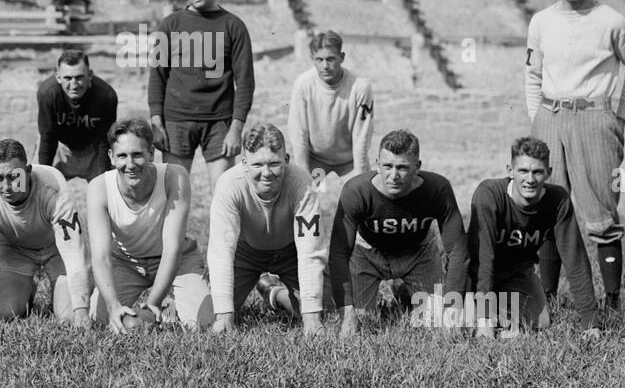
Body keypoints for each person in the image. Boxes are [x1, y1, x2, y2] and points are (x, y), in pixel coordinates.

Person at [525, 0, 625, 311]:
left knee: (601, 213)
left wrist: (619, 115)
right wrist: (537, 119)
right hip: (550, 118)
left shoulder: (611, 20)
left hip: (595, 119)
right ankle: (545, 299)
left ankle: (611, 302)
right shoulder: (541, 21)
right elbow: (532, 74)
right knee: (546, 207)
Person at [329, 129, 469, 337]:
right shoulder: (357, 191)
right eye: (387, 166)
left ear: (417, 167)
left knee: (432, 322)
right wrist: (346, 312)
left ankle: (405, 292)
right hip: (368, 253)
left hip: (418, 253)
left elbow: (458, 251)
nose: (393, 176)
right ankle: (397, 292)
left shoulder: (437, 189)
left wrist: (452, 311)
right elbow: (338, 252)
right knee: (365, 321)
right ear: (377, 164)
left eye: (403, 167)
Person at [467, 137, 603, 340]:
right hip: (476, 274)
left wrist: (590, 324)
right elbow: (482, 260)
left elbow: (575, 260)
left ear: (548, 172)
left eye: (537, 172)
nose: (530, 179)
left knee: (540, 322)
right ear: (510, 170)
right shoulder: (490, 194)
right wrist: (484, 320)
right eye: (523, 171)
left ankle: (497, 314)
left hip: (517, 273)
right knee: (455, 320)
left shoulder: (558, 200)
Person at [86, 117, 211, 333]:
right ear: (111, 157)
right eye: (122, 156)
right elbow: (100, 257)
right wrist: (114, 306)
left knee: (205, 324)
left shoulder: (174, 177)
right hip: (126, 262)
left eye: (137, 155)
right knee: (100, 321)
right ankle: (164, 305)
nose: (130, 164)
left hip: (177, 260)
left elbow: (172, 249)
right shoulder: (98, 188)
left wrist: (153, 302)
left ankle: (170, 303)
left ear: (151, 153)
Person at [206, 124, 331, 337]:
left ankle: (273, 293)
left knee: (325, 310)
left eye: (274, 164)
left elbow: (310, 250)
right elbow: (221, 250)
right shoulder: (229, 185)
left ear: (286, 160)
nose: (266, 173)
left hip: (289, 253)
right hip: (244, 254)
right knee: (206, 317)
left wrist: (311, 318)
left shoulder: (303, 184)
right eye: (257, 164)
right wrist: (225, 315)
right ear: (244, 163)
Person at [147, 0, 255, 191]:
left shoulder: (233, 25)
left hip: (219, 121)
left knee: (225, 194)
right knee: (173, 195)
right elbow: (157, 76)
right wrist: (156, 122)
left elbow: (245, 82)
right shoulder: (170, 25)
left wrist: (236, 129)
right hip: (176, 119)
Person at [0, 139, 91, 325]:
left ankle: (60, 291)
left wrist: (81, 311)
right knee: (4, 314)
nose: (6, 186)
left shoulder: (53, 187)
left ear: (28, 170)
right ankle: (25, 288)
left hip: (56, 248)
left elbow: (74, 253)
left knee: (69, 316)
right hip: (13, 248)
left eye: (14, 176)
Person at [287, 30, 374, 185]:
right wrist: (304, 176)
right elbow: (298, 133)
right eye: (319, 60)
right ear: (312, 59)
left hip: (349, 161)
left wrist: (360, 178)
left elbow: (361, 136)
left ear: (342, 58)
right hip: (316, 160)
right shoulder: (303, 85)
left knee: (360, 201)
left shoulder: (359, 86)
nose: (325, 66)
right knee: (307, 200)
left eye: (330, 59)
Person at [36, 49, 119, 181]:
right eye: (67, 78)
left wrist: (104, 179)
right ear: (58, 77)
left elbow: (105, 141)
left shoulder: (106, 96)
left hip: (93, 149)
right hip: (61, 148)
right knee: (37, 182)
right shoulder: (48, 94)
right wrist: (42, 177)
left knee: (109, 189)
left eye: (79, 77)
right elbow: (48, 138)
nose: (74, 85)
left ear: (90, 75)